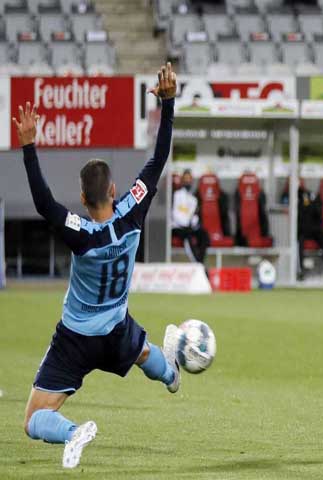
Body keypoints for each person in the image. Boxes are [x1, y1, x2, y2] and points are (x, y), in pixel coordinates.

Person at [13, 63, 182, 469]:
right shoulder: (132, 210)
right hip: (117, 327)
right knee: (143, 352)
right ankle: (173, 376)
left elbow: (45, 205)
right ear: (112, 190)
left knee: (34, 418)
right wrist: (168, 103)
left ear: (84, 200)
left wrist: (29, 145)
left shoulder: (79, 232)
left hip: (76, 337)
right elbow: (158, 159)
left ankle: (73, 432)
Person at [172, 169, 210, 265]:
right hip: (177, 227)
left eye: (189, 179)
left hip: (189, 227)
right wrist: (186, 224)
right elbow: (175, 214)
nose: (187, 181)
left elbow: (194, 216)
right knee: (187, 236)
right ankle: (197, 264)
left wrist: (192, 223)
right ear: (182, 180)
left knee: (204, 235)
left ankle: (200, 261)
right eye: (185, 178)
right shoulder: (176, 195)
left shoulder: (193, 198)